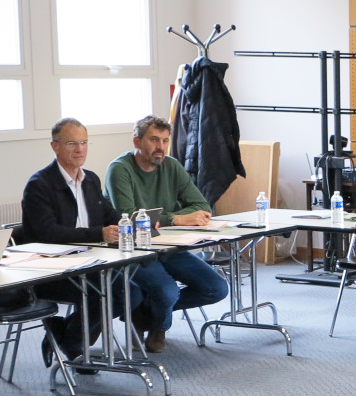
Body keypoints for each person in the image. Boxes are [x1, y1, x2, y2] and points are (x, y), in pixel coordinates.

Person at [19, 118, 143, 364]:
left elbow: (109, 217)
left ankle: (65, 336)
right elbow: (48, 233)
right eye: (72, 143)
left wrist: (134, 223)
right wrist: (98, 234)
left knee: (131, 294)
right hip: (51, 270)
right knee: (104, 292)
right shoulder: (39, 185)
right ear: (55, 146)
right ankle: (76, 348)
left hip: (90, 263)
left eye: (84, 143)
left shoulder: (91, 180)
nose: (80, 150)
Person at [105, 115, 229, 354]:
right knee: (167, 290)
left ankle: (146, 312)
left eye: (164, 140)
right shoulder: (119, 169)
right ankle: (160, 325)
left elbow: (202, 205)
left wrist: (169, 219)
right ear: (137, 142)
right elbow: (129, 217)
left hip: (168, 247)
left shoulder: (171, 165)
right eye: (153, 140)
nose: (160, 147)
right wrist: (177, 218)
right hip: (132, 250)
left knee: (216, 288)